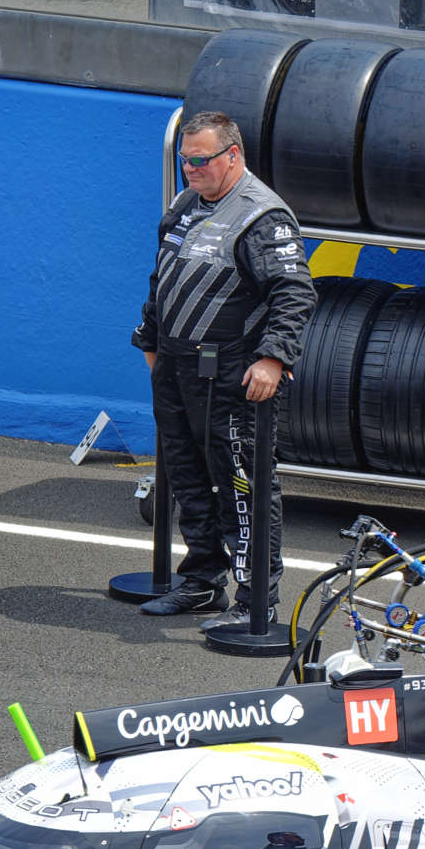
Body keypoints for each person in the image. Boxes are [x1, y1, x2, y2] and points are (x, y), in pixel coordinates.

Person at [131, 111, 314, 632]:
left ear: (233, 156)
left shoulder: (264, 217)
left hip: (234, 376)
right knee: (185, 478)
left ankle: (256, 600)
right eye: (184, 159)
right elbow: (163, 275)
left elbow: (295, 292)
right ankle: (202, 581)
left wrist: (273, 358)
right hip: (177, 366)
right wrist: (150, 340)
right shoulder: (185, 203)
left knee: (244, 488)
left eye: (201, 159)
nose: (190, 168)